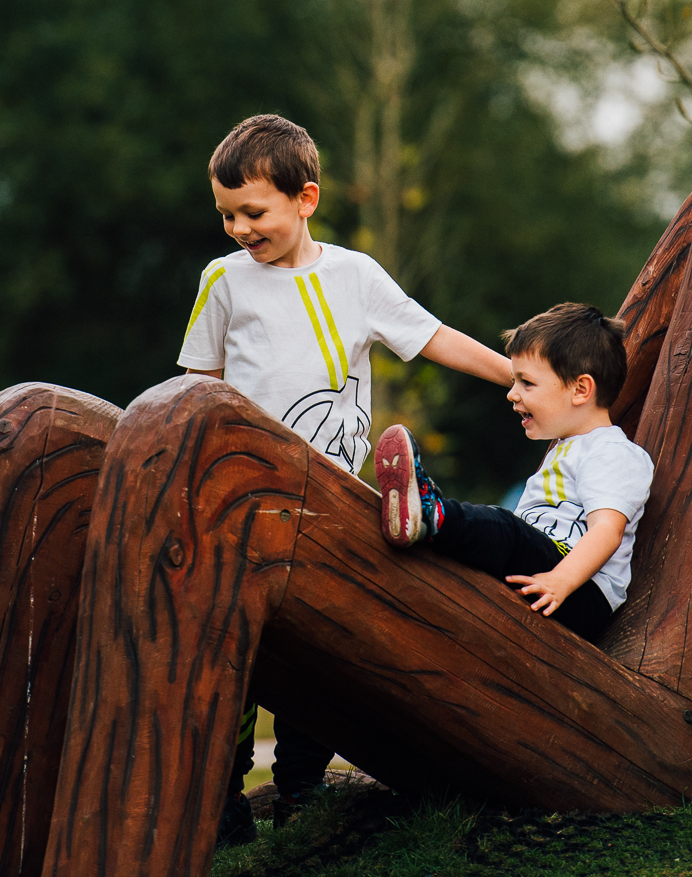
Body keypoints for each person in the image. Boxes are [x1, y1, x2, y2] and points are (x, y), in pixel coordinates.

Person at [179, 113, 512, 842]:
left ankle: (300, 790)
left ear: (306, 198)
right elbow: (197, 388)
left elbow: (430, 335)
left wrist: (513, 374)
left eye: (253, 212)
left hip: (328, 502)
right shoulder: (223, 280)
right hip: (244, 499)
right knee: (240, 647)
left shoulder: (355, 276)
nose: (239, 228)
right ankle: (224, 798)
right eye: (226, 214)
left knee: (316, 647)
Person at [373, 302, 653, 646]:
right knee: (502, 535)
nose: (512, 393)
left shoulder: (613, 452)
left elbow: (607, 530)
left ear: (581, 390)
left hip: (582, 591)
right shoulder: (566, 448)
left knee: (507, 529)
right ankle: (421, 521)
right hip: (549, 570)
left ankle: (432, 514)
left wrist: (561, 581)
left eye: (527, 383)